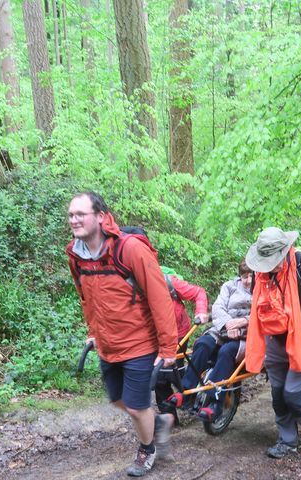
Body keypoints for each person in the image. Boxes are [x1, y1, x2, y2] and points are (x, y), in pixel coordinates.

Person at [66, 192, 178, 477]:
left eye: (81, 213)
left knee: (138, 406)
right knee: (119, 400)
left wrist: (167, 349)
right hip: (107, 344)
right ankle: (160, 422)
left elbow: (160, 299)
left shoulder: (129, 250)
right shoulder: (76, 255)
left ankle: (147, 450)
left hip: (139, 342)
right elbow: (85, 297)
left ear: (101, 217)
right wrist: (93, 331)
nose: (74, 219)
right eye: (71, 215)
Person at [245, 227, 301, 459]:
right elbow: (258, 309)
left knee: (294, 392)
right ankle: (288, 440)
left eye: (273, 260)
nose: (269, 266)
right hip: (275, 339)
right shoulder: (260, 274)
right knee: (278, 395)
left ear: (285, 251)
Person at [167, 261, 253, 421]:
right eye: (244, 276)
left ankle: (216, 402)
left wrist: (242, 324)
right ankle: (186, 391)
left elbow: (263, 314)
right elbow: (218, 307)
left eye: (251, 276)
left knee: (226, 351)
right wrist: (228, 323)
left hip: (247, 335)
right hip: (223, 329)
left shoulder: (263, 289)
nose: (247, 280)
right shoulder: (230, 286)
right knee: (202, 344)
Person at [154, 271, 208, 426]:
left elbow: (198, 292)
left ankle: (197, 400)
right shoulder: (132, 287)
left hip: (178, 334)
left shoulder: (168, 282)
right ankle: (170, 418)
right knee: (159, 378)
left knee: (172, 373)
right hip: (153, 337)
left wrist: (201, 311)